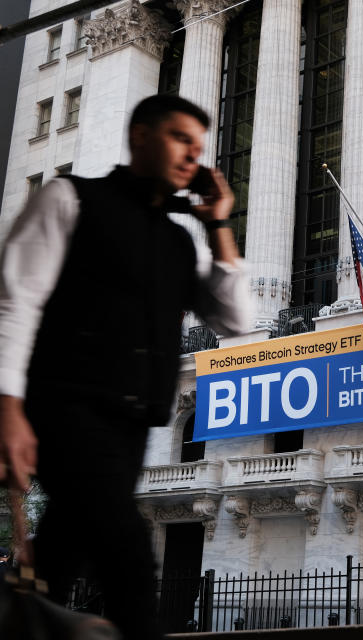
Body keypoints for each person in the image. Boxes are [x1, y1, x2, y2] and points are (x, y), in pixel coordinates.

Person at [0, 94, 251, 639]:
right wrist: (8, 407)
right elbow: (14, 302)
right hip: (66, 408)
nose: (193, 155)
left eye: (199, 146)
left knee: (60, 554)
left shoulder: (178, 241)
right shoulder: (69, 199)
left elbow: (235, 319)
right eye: (180, 138)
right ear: (141, 136)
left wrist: (218, 224)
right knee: (131, 562)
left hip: (134, 422)